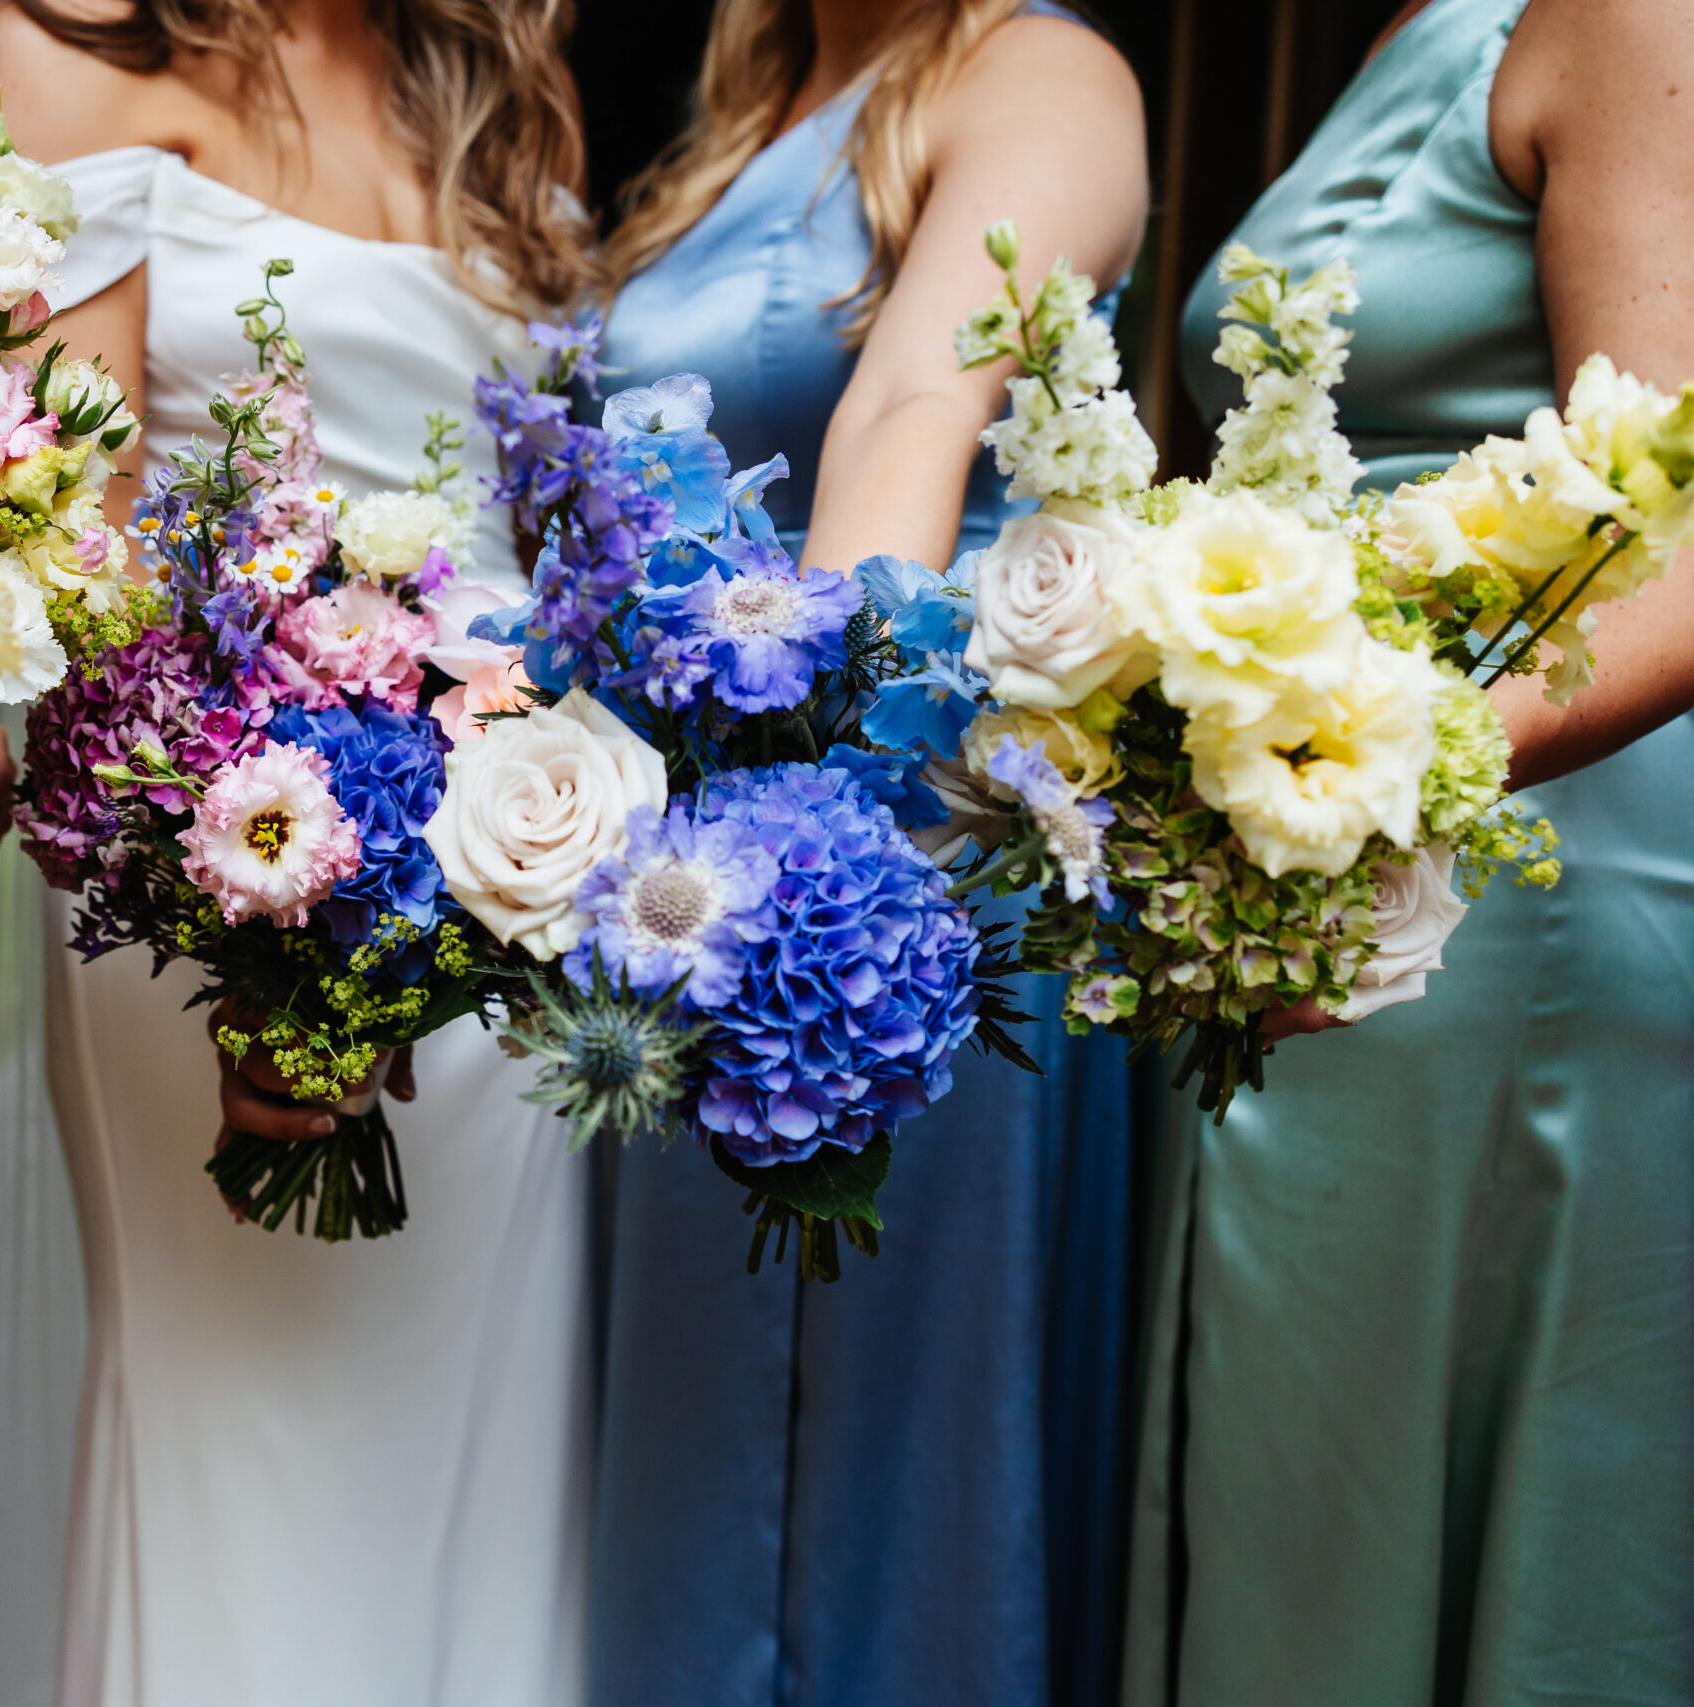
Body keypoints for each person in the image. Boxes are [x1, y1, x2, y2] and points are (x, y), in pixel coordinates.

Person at [0, 3, 602, 1704]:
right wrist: (250, 912)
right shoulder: (69, 49)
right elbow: (61, 536)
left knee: (475, 1459)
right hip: (214, 856)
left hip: (508, 870)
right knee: (243, 1444)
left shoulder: (498, 91)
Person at [1123, 0, 1694, 1701]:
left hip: (1508, 873)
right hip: (1328, 838)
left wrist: (1400, 773)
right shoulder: (1422, 26)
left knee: (1429, 1496)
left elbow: (1684, 521)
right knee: (1303, 1484)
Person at [586, 2, 1145, 1704]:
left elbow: (912, 404)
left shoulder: (1040, 71)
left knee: (885, 1449)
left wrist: (790, 841)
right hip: (685, 838)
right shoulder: (748, 109)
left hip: (894, 850)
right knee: (701, 1432)